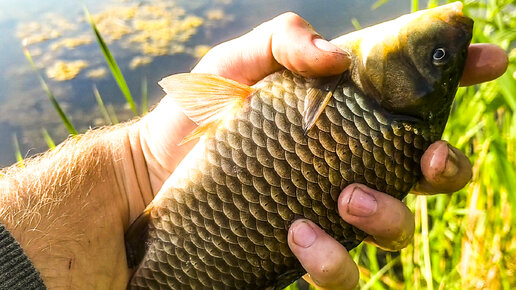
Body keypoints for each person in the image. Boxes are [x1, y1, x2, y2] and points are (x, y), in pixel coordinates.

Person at [0, 12, 508, 290]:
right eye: (439, 56)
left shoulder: (359, 94)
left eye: (435, 57)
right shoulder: (335, 74)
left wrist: (128, 171)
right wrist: (128, 168)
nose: (451, 20)